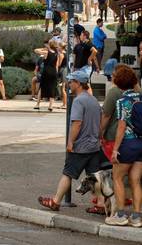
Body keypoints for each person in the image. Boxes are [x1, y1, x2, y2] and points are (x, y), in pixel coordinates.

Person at [38, 69, 101, 211]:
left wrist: (71, 142)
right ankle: (101, 204)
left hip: (81, 146)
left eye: (71, 82)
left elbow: (76, 123)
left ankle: (56, 201)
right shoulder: (93, 100)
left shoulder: (79, 101)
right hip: (94, 145)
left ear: (78, 83)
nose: (69, 84)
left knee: (68, 173)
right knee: (95, 177)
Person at [105, 65, 142, 227]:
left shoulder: (122, 102)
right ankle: (137, 216)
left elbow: (121, 127)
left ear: (119, 82)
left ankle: (120, 215)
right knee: (136, 180)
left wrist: (115, 149)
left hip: (127, 144)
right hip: (141, 143)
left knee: (118, 178)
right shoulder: (141, 97)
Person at [34, 39, 62, 112]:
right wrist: (56, 73)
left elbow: (36, 50)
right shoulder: (57, 54)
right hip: (53, 72)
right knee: (52, 88)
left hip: (46, 71)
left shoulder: (46, 52)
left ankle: (37, 104)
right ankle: (51, 106)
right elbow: (57, 65)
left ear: (49, 45)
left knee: (42, 87)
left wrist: (44, 48)